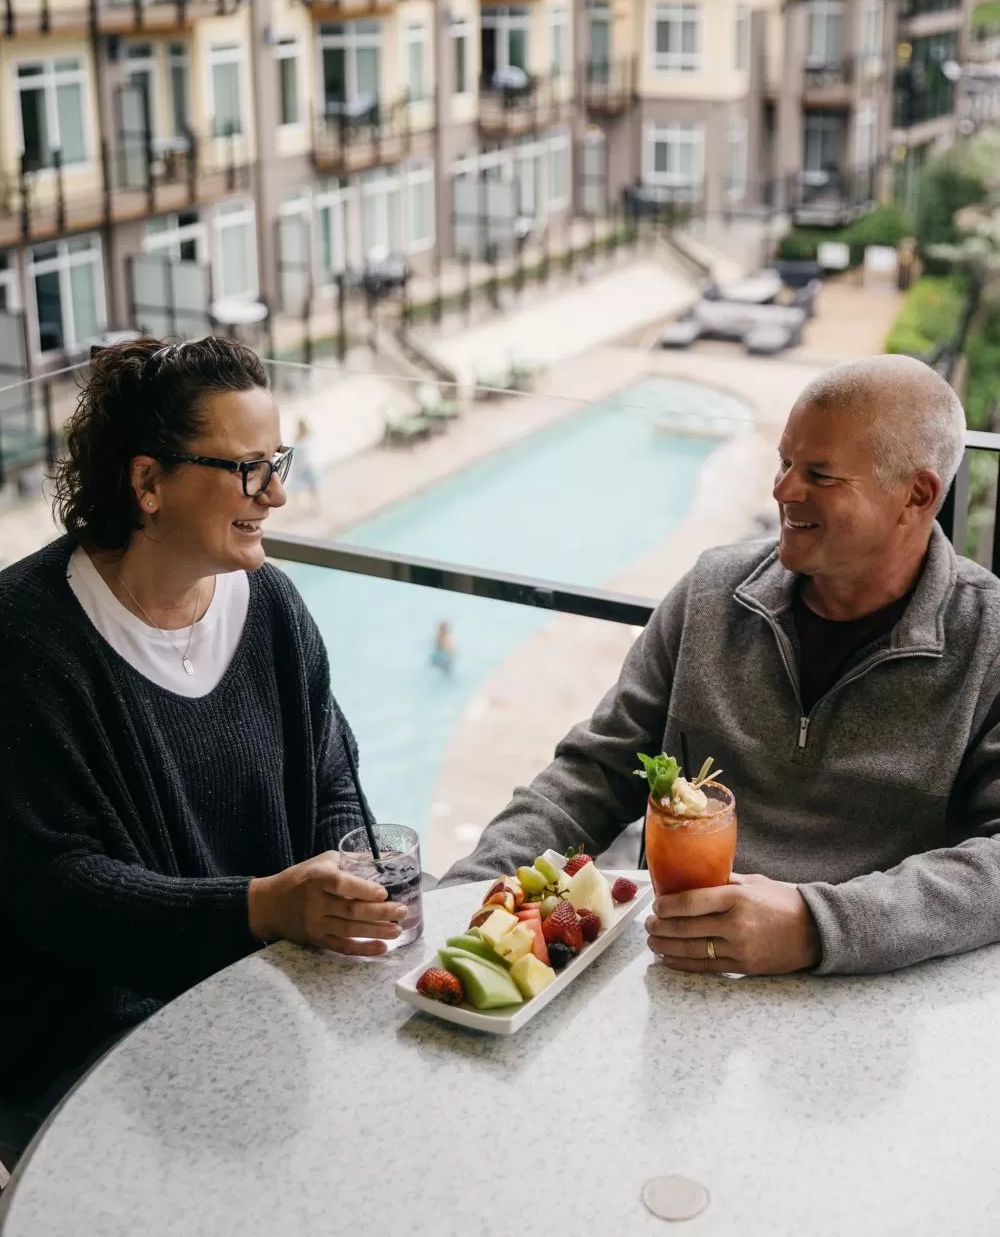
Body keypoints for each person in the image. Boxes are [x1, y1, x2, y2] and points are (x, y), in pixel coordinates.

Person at [443, 356, 1000, 979]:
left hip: (875, 989)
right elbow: (592, 774)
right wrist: (464, 895)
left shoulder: (989, 639)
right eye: (785, 462)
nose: (784, 490)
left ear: (916, 495)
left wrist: (817, 926)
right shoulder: (711, 591)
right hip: (681, 969)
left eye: (819, 474)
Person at [0, 337, 405, 1156]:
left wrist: (340, 891)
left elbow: (335, 786)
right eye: (250, 469)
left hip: (264, 999)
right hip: (88, 1046)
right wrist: (261, 907)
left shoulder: (273, 608)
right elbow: (59, 891)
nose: (280, 494)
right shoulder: (25, 637)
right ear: (148, 482)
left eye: (279, 460)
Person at [292, 416, 321, 506]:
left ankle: (314, 504)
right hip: (306, 465)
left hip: (305, 465)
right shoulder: (304, 437)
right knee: (309, 487)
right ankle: (314, 504)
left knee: (309, 487)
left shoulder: (303, 437)